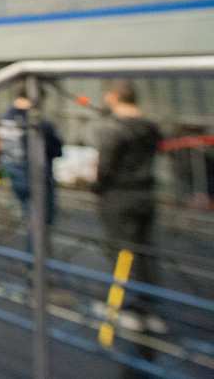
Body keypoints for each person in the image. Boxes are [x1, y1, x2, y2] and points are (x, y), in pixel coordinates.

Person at [93, 79, 164, 334]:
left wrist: (96, 188)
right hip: (145, 195)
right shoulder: (150, 127)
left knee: (120, 253)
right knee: (145, 253)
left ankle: (124, 308)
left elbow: (105, 166)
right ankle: (149, 310)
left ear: (114, 97)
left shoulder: (112, 128)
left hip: (118, 196)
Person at [0, 87, 64, 246]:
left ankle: (33, 256)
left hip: (15, 175)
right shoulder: (39, 122)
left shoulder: (6, 117)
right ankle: (36, 259)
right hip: (35, 179)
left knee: (30, 221)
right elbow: (56, 149)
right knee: (40, 226)